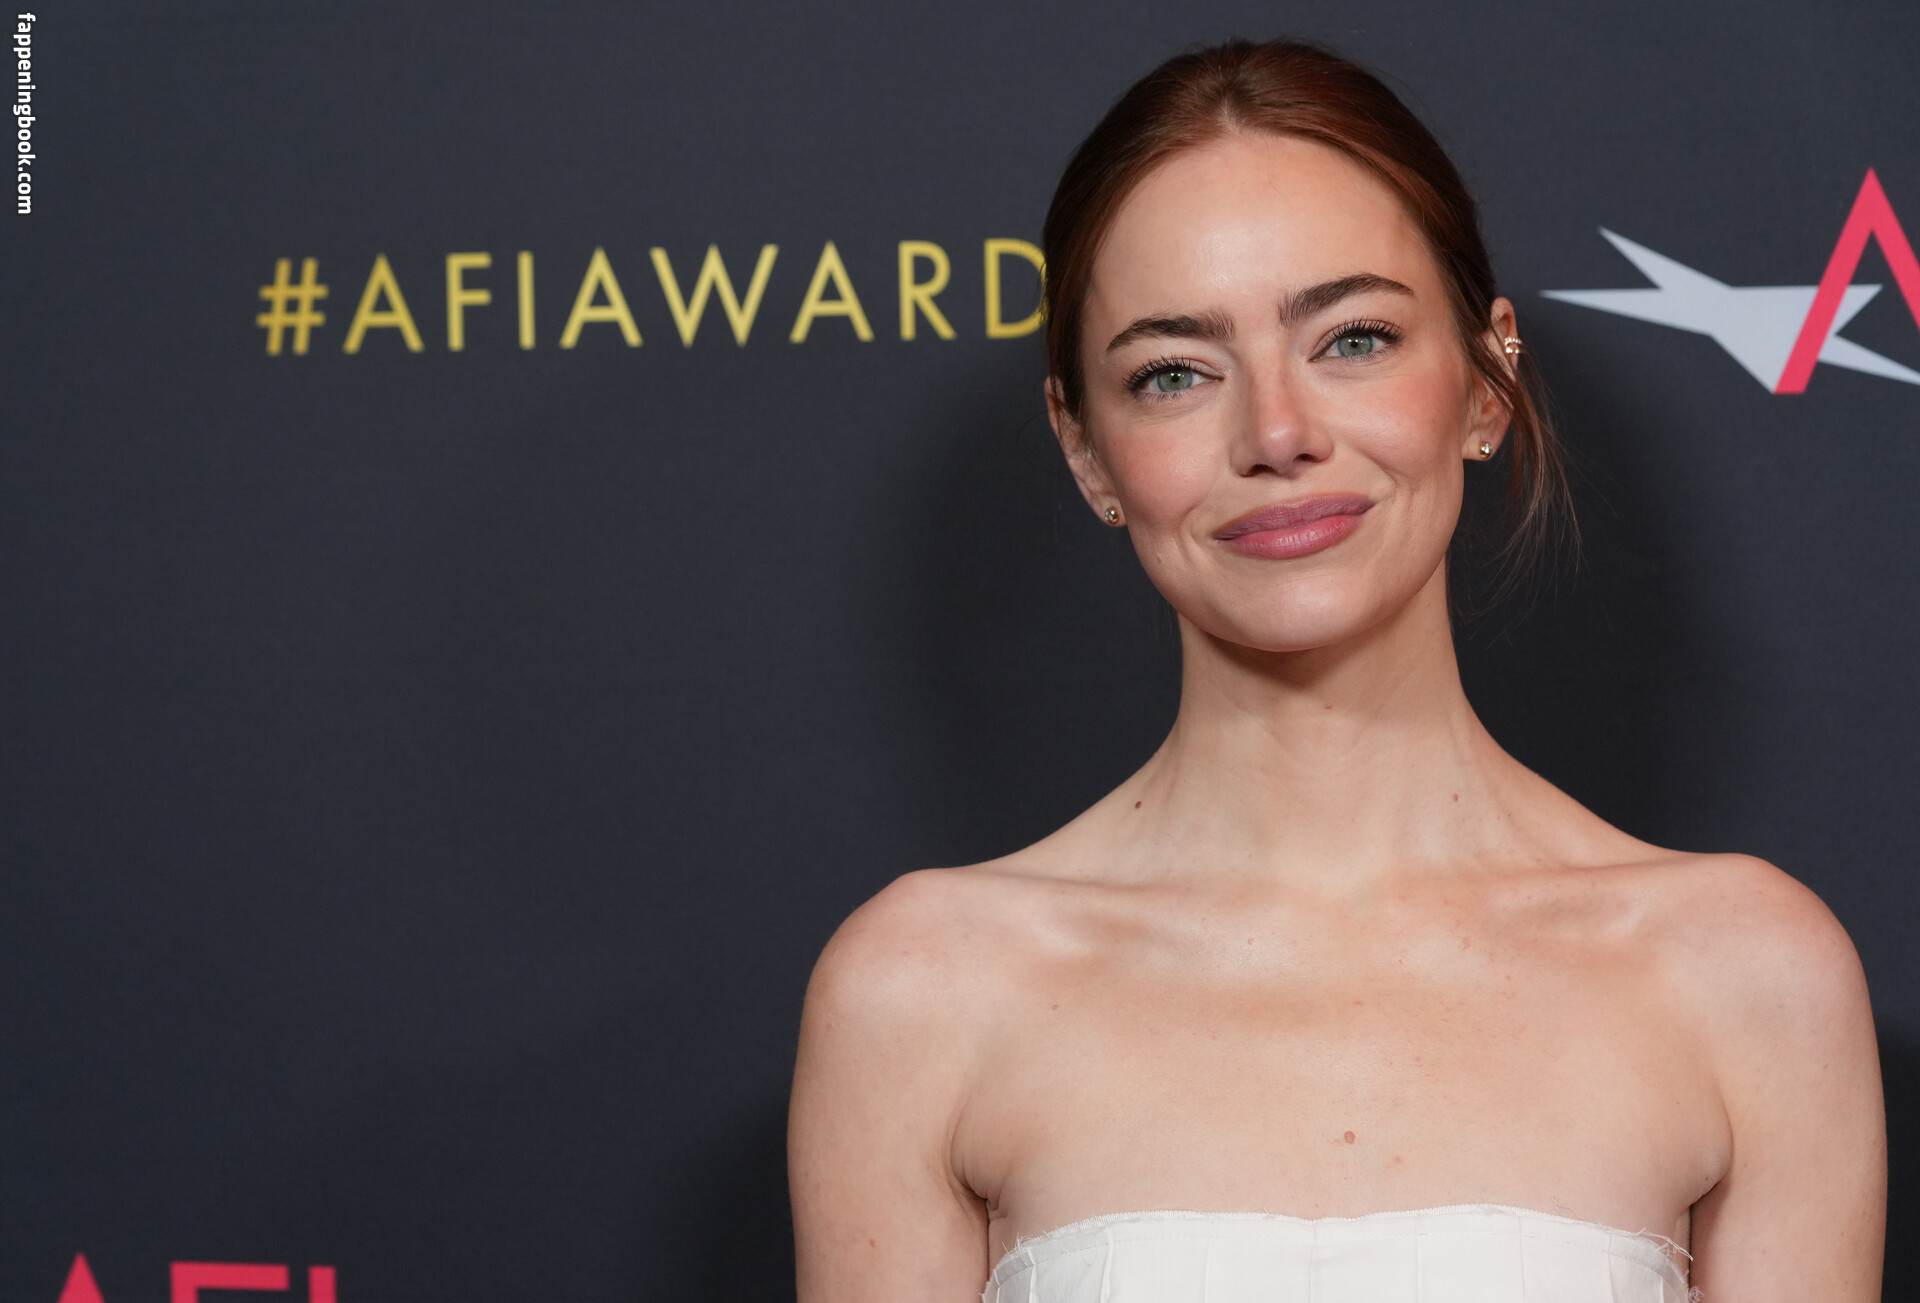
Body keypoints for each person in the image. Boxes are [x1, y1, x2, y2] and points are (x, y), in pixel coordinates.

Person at [787, 39, 1885, 1303]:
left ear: (1486, 381)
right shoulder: (923, 994)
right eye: (1174, 373)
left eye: (1353, 338)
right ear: (1086, 450)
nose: (1277, 433)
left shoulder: (1747, 977)